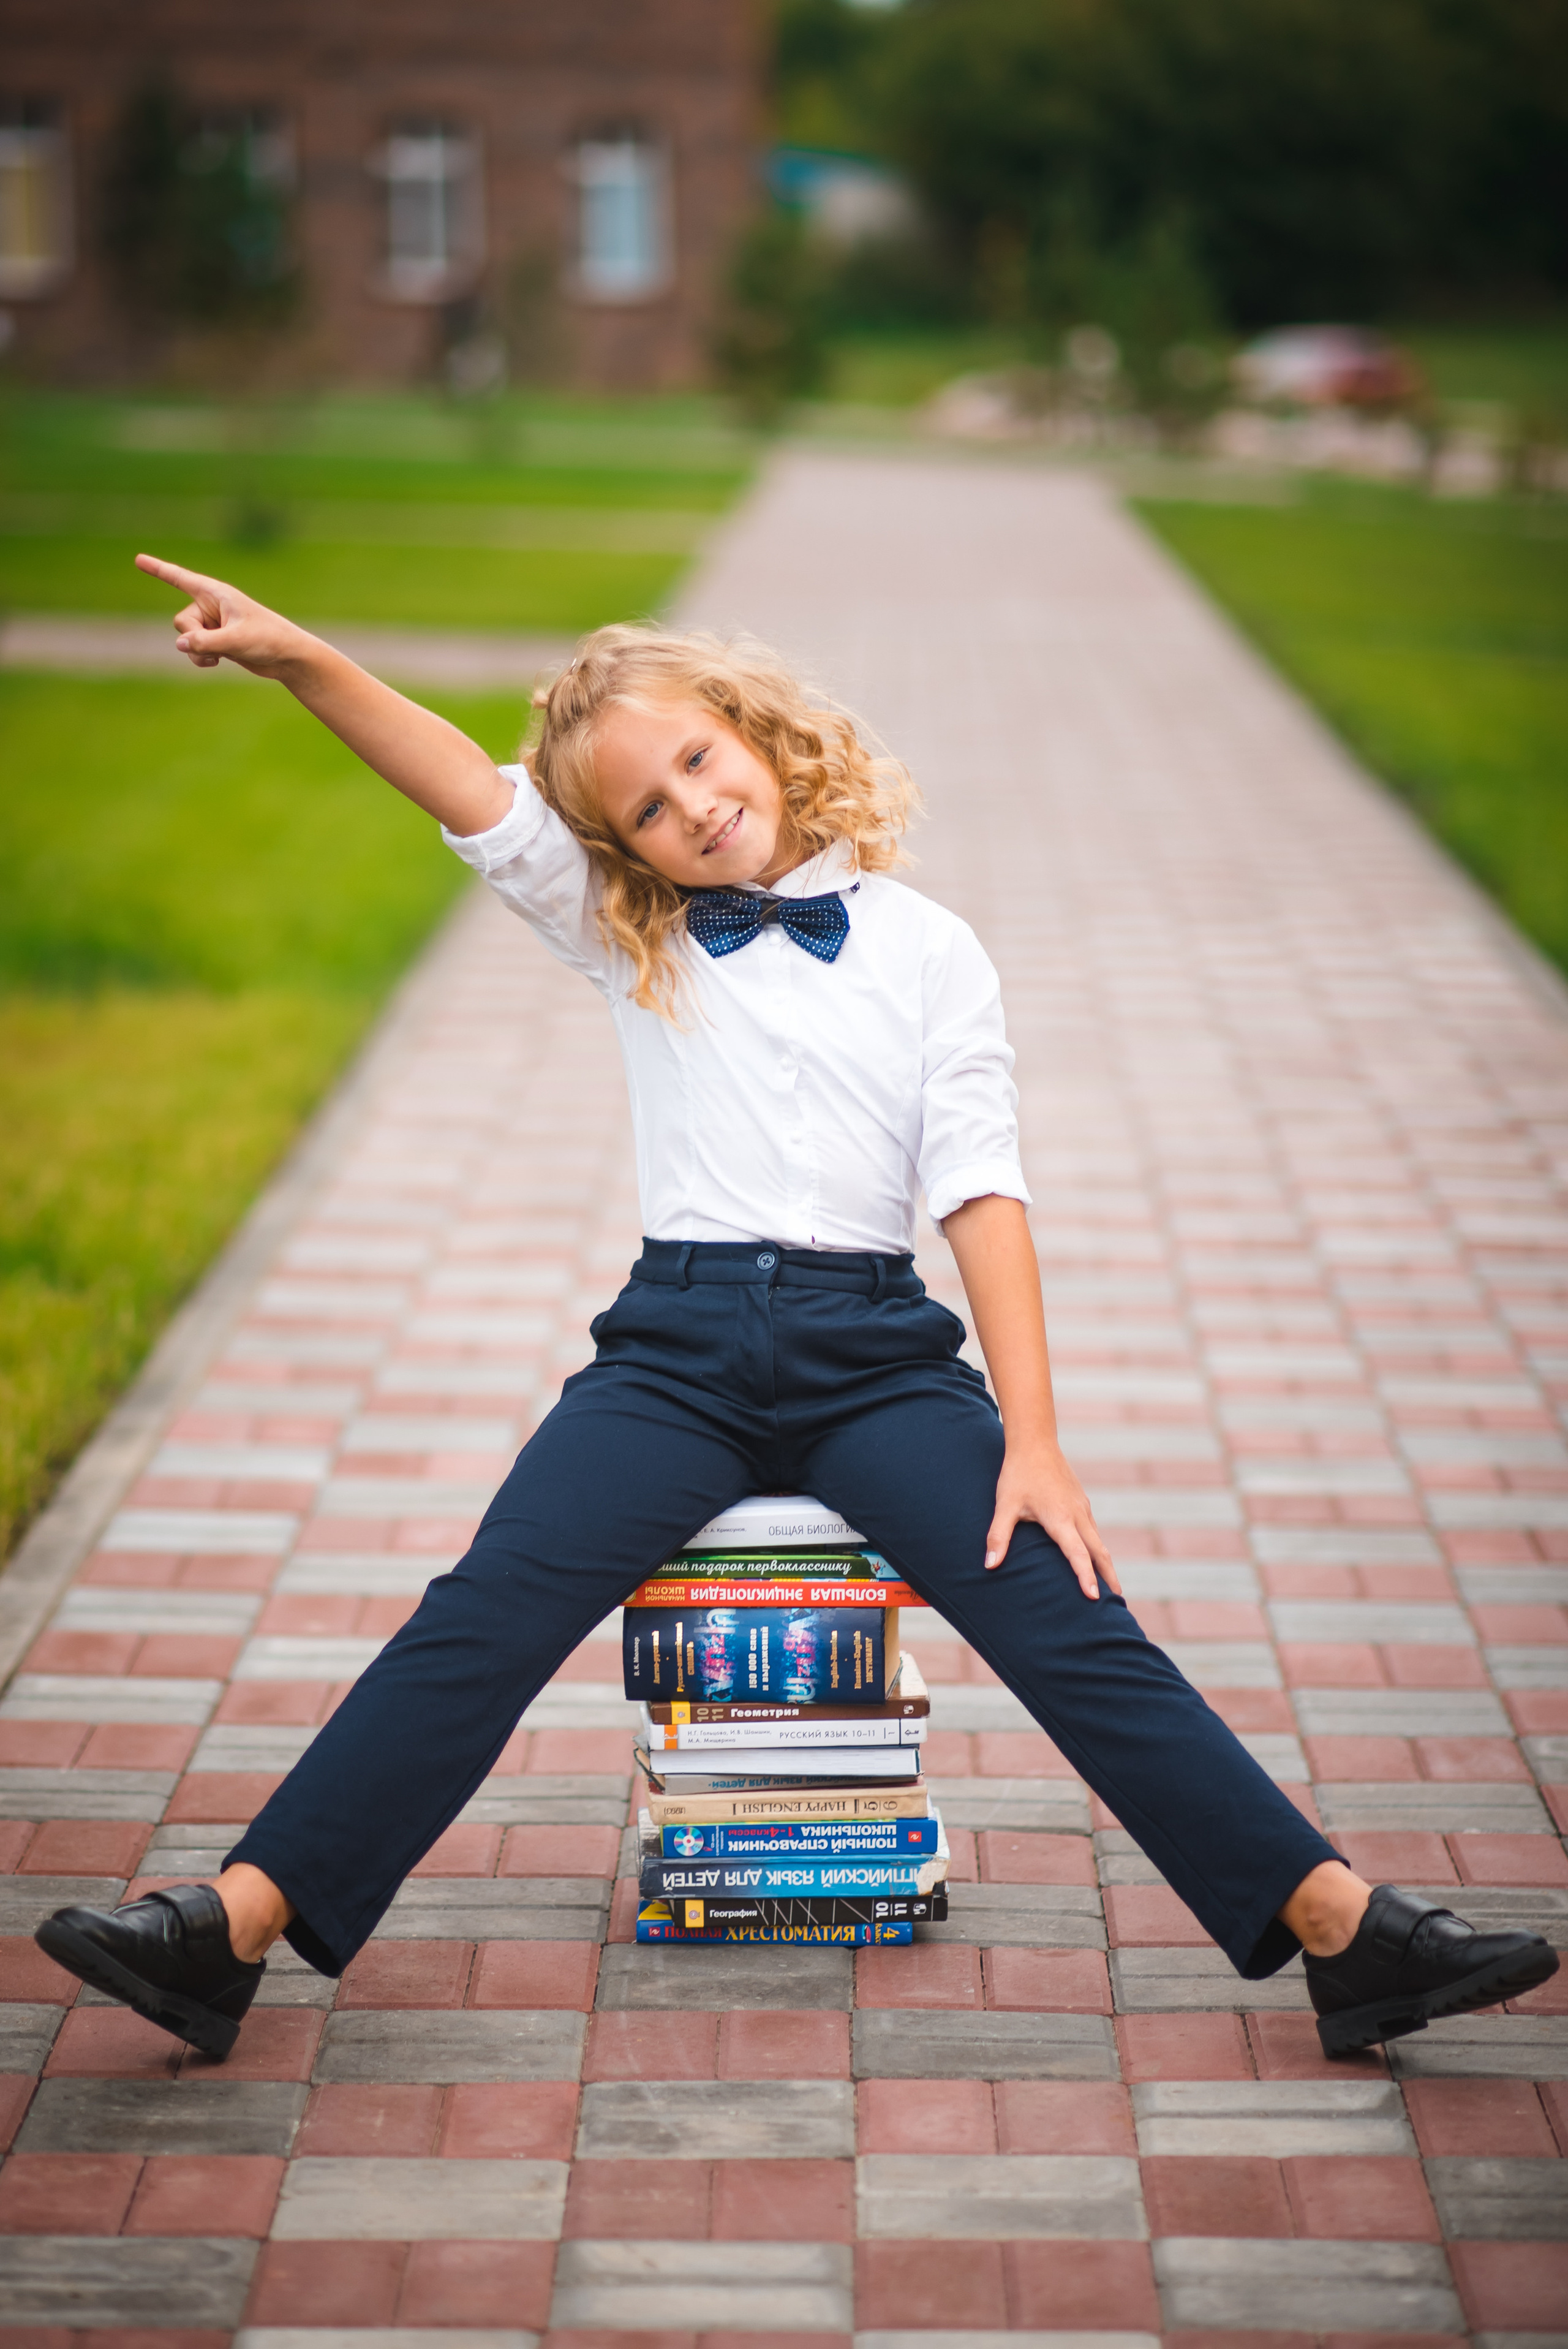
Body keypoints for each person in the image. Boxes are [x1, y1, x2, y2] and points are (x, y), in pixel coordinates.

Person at [38, 555, 1558, 2064]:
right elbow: (460, 785)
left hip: (873, 1359)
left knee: (1072, 1620)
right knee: (481, 1613)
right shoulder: (625, 928)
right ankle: (231, 1928)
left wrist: (1032, 1439)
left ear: (755, 728)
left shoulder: (925, 949)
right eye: (644, 807)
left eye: (696, 759)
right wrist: (299, 656)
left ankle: (1337, 1929)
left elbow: (980, 1194)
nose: (690, 806)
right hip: (675, 1357)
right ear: (615, 844)